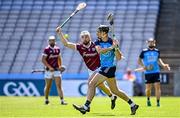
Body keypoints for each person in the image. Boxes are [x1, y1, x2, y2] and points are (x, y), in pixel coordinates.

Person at [72, 25, 139, 115]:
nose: (97, 33)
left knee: (92, 84)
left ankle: (85, 107)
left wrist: (116, 48)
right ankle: (133, 104)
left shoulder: (112, 42)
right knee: (115, 90)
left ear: (104, 33)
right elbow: (99, 51)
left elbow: (118, 58)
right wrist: (112, 47)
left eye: (99, 32)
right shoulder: (97, 42)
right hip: (104, 67)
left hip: (109, 67)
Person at [56, 27, 117, 110]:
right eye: (83, 37)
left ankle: (86, 106)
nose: (85, 38)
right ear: (81, 38)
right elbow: (66, 44)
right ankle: (112, 96)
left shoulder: (95, 44)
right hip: (91, 70)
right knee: (100, 85)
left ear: (90, 37)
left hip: (100, 68)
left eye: (86, 36)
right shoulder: (80, 47)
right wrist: (60, 33)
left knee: (90, 83)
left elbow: (105, 46)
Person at [138, 38, 170, 107]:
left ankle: (158, 102)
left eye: (152, 42)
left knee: (157, 87)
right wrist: (144, 66)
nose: (151, 43)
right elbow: (139, 61)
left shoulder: (157, 51)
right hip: (148, 72)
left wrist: (163, 65)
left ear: (154, 43)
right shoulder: (144, 51)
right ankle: (148, 100)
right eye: (149, 42)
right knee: (148, 89)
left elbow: (159, 59)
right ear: (147, 43)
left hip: (156, 71)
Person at [42, 35, 67, 105]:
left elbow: (59, 58)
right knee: (48, 86)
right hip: (48, 71)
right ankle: (46, 99)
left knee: (59, 85)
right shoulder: (46, 49)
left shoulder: (57, 49)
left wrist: (60, 66)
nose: (52, 41)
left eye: (53, 40)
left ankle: (62, 101)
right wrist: (49, 67)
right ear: (48, 41)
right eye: (50, 40)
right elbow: (43, 60)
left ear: (55, 41)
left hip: (56, 70)